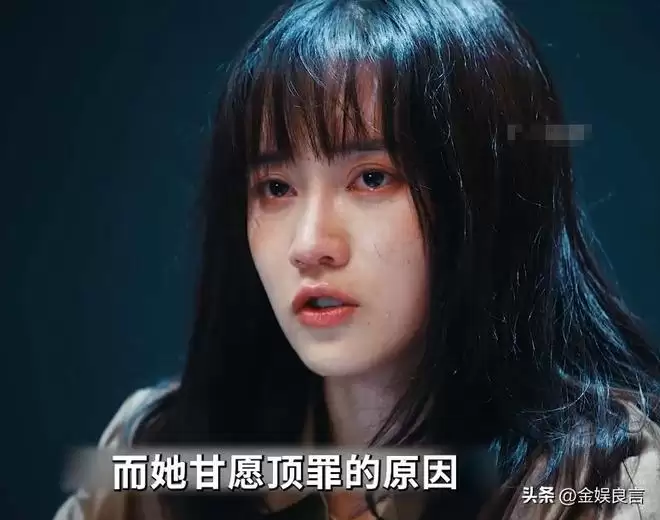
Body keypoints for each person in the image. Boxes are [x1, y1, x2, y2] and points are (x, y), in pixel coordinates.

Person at [54, 0, 660, 519]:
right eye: (276, 188)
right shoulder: (156, 457)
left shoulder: (609, 485)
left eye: (372, 178)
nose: (309, 244)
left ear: (489, 195)